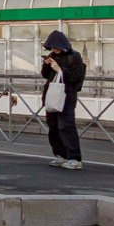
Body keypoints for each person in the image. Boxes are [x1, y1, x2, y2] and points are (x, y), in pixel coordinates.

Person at [41, 30, 86, 170]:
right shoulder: (52, 55)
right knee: (53, 126)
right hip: (52, 96)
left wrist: (59, 68)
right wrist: (46, 65)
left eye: (55, 47)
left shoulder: (74, 56)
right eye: (51, 47)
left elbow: (76, 76)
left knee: (66, 126)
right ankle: (60, 155)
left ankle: (74, 158)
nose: (53, 49)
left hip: (67, 96)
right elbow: (45, 75)